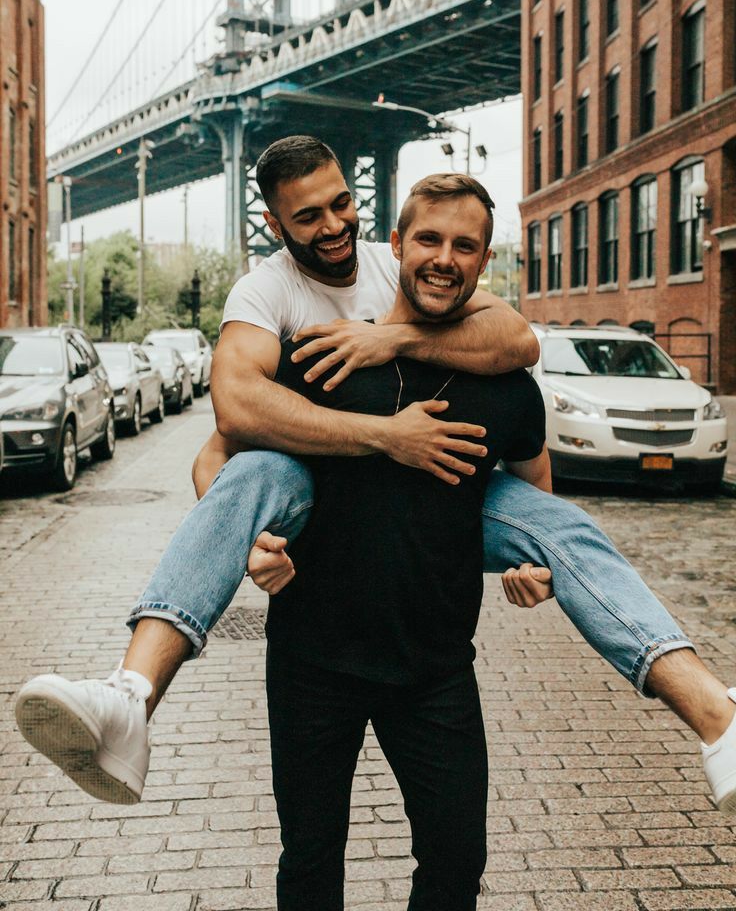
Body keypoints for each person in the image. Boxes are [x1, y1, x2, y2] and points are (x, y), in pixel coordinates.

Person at [15, 137, 736, 817]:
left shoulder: (405, 266)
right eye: (309, 216)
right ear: (273, 223)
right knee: (263, 467)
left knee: (567, 528)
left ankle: (719, 720)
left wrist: (391, 335)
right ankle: (131, 697)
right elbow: (226, 432)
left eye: (341, 205)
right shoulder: (276, 308)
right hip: (318, 504)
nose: (333, 226)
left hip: (437, 556)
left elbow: (517, 343)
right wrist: (377, 447)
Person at [264, 173, 547, 909]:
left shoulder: (505, 383)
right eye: (428, 239)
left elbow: (532, 463)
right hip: (311, 660)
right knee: (310, 861)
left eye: (465, 245)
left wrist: (534, 555)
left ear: (485, 262)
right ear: (396, 246)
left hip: (436, 669)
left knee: (456, 863)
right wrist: (255, 542)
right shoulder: (322, 357)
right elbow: (231, 453)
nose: (444, 258)